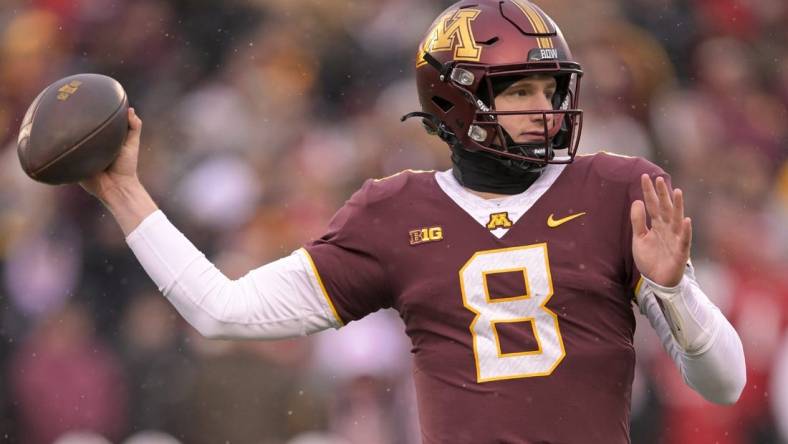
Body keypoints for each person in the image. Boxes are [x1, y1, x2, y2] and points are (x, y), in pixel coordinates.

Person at [79, 0, 746, 442]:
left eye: (550, 88)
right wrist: (123, 192)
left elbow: (724, 382)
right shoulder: (394, 213)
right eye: (518, 90)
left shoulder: (617, 189)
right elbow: (223, 312)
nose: (544, 108)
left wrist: (674, 291)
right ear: (454, 103)